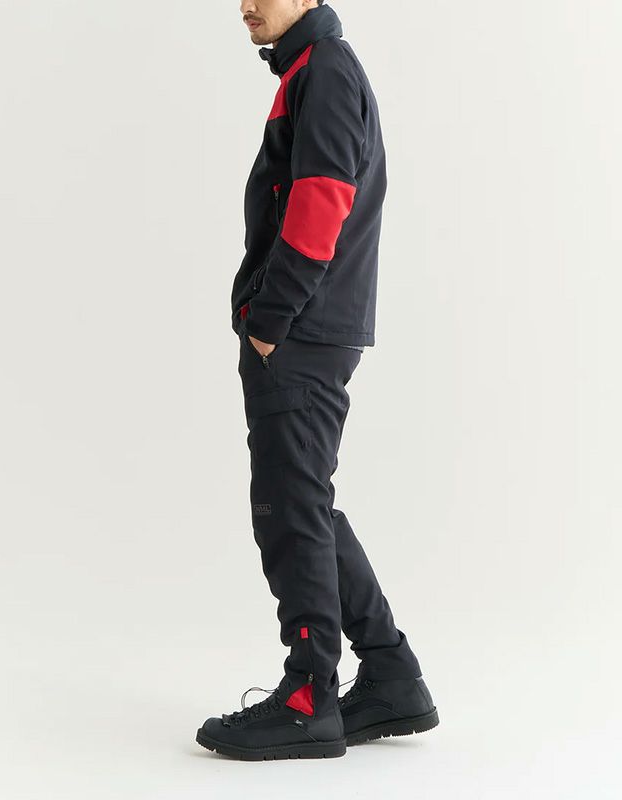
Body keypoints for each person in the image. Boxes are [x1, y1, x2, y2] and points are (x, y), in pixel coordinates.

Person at [196, 0, 438, 760]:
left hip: (301, 331)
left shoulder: (326, 70)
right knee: (305, 502)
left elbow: (321, 199)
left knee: (290, 510)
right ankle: (391, 675)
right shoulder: (314, 68)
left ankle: (309, 696)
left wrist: (269, 318)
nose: (245, 5)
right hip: (312, 326)